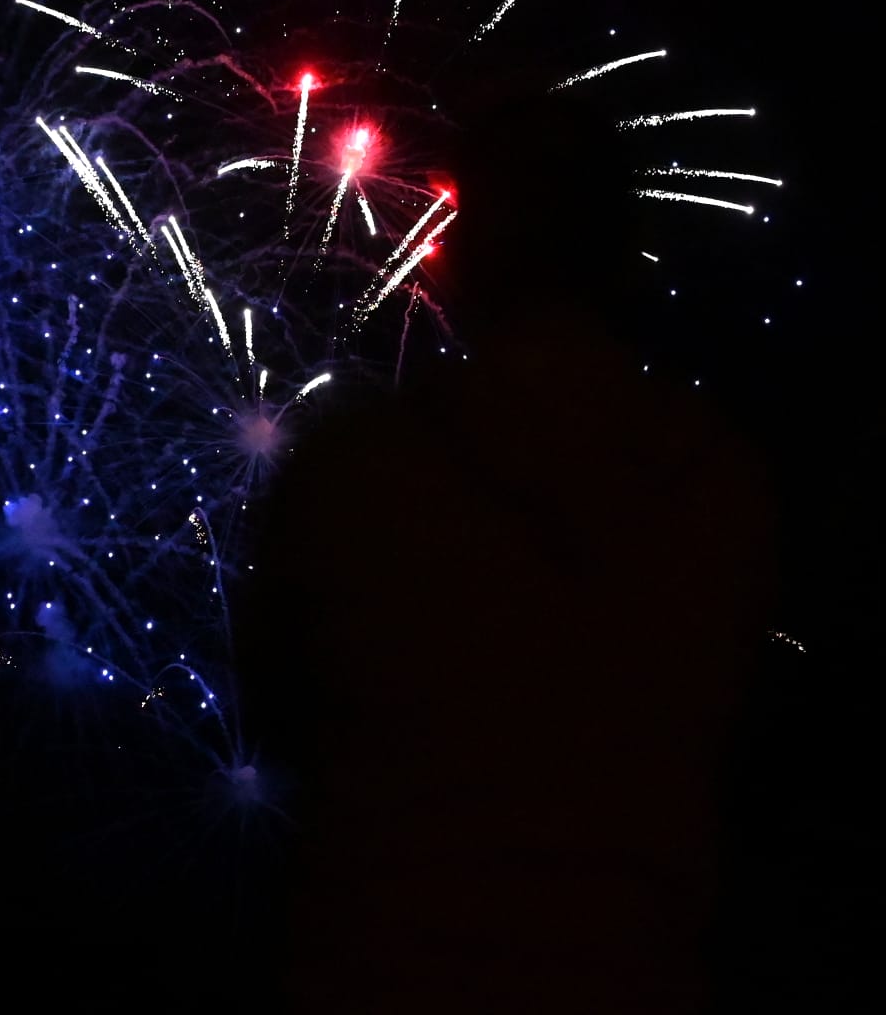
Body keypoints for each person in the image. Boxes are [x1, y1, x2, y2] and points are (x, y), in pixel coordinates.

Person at [245, 90, 774, 1012]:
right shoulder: (721, 492)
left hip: (389, 967)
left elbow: (281, 727)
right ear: (622, 257)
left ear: (465, 256)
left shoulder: (356, 478)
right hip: (628, 969)